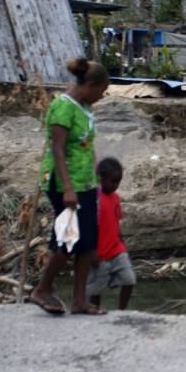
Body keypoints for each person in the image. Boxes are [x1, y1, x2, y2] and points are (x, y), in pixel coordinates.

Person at [27, 57, 109, 316]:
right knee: (68, 239)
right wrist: (68, 189)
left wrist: (96, 176)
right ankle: (41, 289)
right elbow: (58, 149)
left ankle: (79, 300)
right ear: (90, 85)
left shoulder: (85, 108)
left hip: (84, 181)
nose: (102, 96)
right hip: (64, 183)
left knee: (87, 244)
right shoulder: (63, 108)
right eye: (101, 91)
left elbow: (87, 145)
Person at [87, 157, 136, 310]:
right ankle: (94, 312)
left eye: (118, 182)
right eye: (113, 181)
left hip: (116, 250)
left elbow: (116, 222)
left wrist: (122, 244)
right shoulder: (95, 199)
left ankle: (122, 311)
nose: (116, 186)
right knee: (96, 289)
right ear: (101, 179)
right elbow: (89, 227)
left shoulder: (115, 198)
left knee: (129, 280)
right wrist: (91, 251)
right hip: (99, 254)